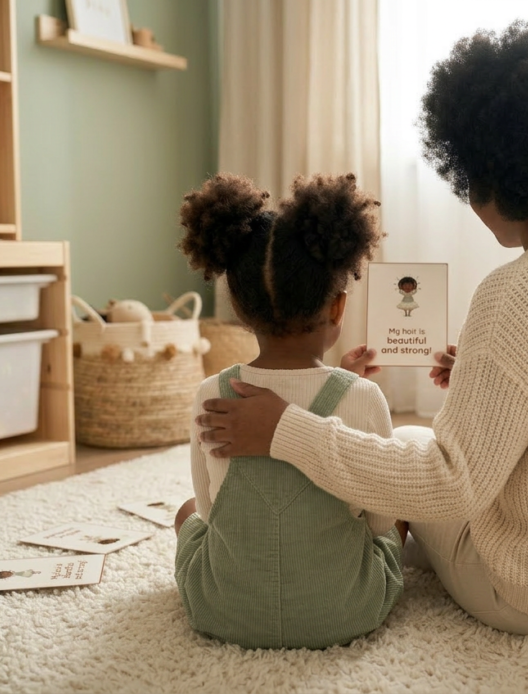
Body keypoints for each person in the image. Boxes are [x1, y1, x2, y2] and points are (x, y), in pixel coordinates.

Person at [196, 21, 528, 641]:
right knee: (420, 453)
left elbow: (447, 485)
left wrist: (287, 430)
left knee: (414, 446)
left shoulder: (514, 290)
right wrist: (478, 374)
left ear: (494, 177)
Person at [173, 172, 404, 650]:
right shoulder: (363, 398)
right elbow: (380, 523)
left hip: (222, 609)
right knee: (397, 521)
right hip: (347, 610)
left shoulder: (209, 392)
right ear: (338, 308)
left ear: (239, 306)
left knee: (188, 513)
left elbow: (213, 516)